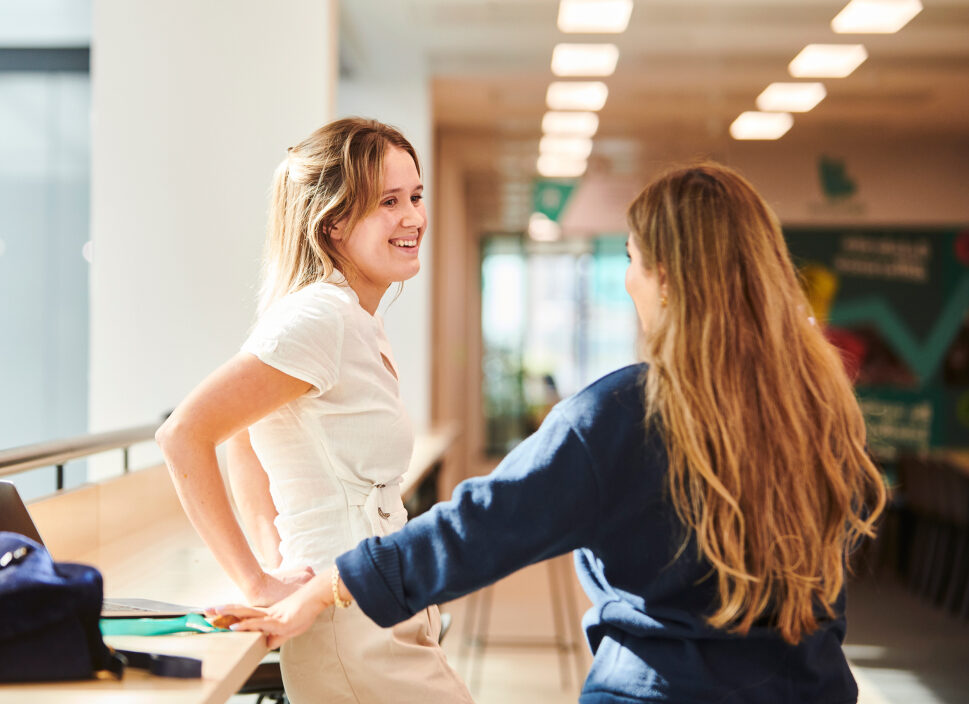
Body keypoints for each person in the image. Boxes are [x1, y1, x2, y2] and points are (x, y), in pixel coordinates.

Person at [214, 162, 887, 703]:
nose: (627, 281)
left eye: (630, 258)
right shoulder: (820, 409)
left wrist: (323, 588)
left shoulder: (626, 415)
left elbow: (478, 528)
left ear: (664, 277)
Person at [155, 117, 473, 704]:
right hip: (345, 631)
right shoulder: (319, 318)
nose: (413, 218)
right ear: (333, 223)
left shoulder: (354, 317)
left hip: (375, 608)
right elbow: (185, 435)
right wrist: (257, 578)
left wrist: (275, 560)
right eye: (388, 202)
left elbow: (244, 437)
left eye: (415, 196)